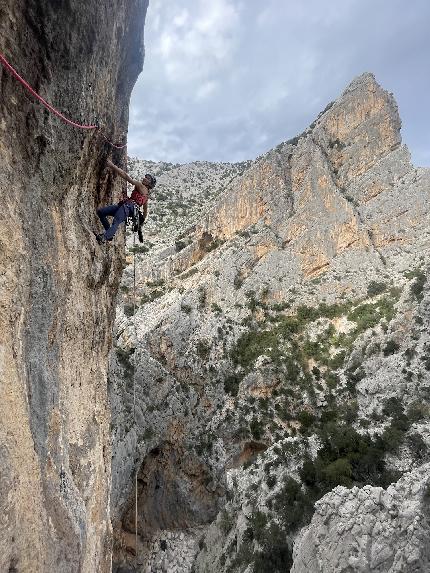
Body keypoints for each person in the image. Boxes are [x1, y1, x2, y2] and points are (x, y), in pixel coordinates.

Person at [96, 159, 156, 244]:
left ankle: (104, 237)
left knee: (116, 221)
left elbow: (126, 176)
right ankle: (109, 233)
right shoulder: (146, 197)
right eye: (145, 177)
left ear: (149, 184)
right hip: (126, 207)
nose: (144, 178)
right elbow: (145, 212)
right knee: (101, 212)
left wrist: (112, 165)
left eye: (147, 178)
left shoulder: (141, 186)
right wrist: (141, 221)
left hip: (128, 207)